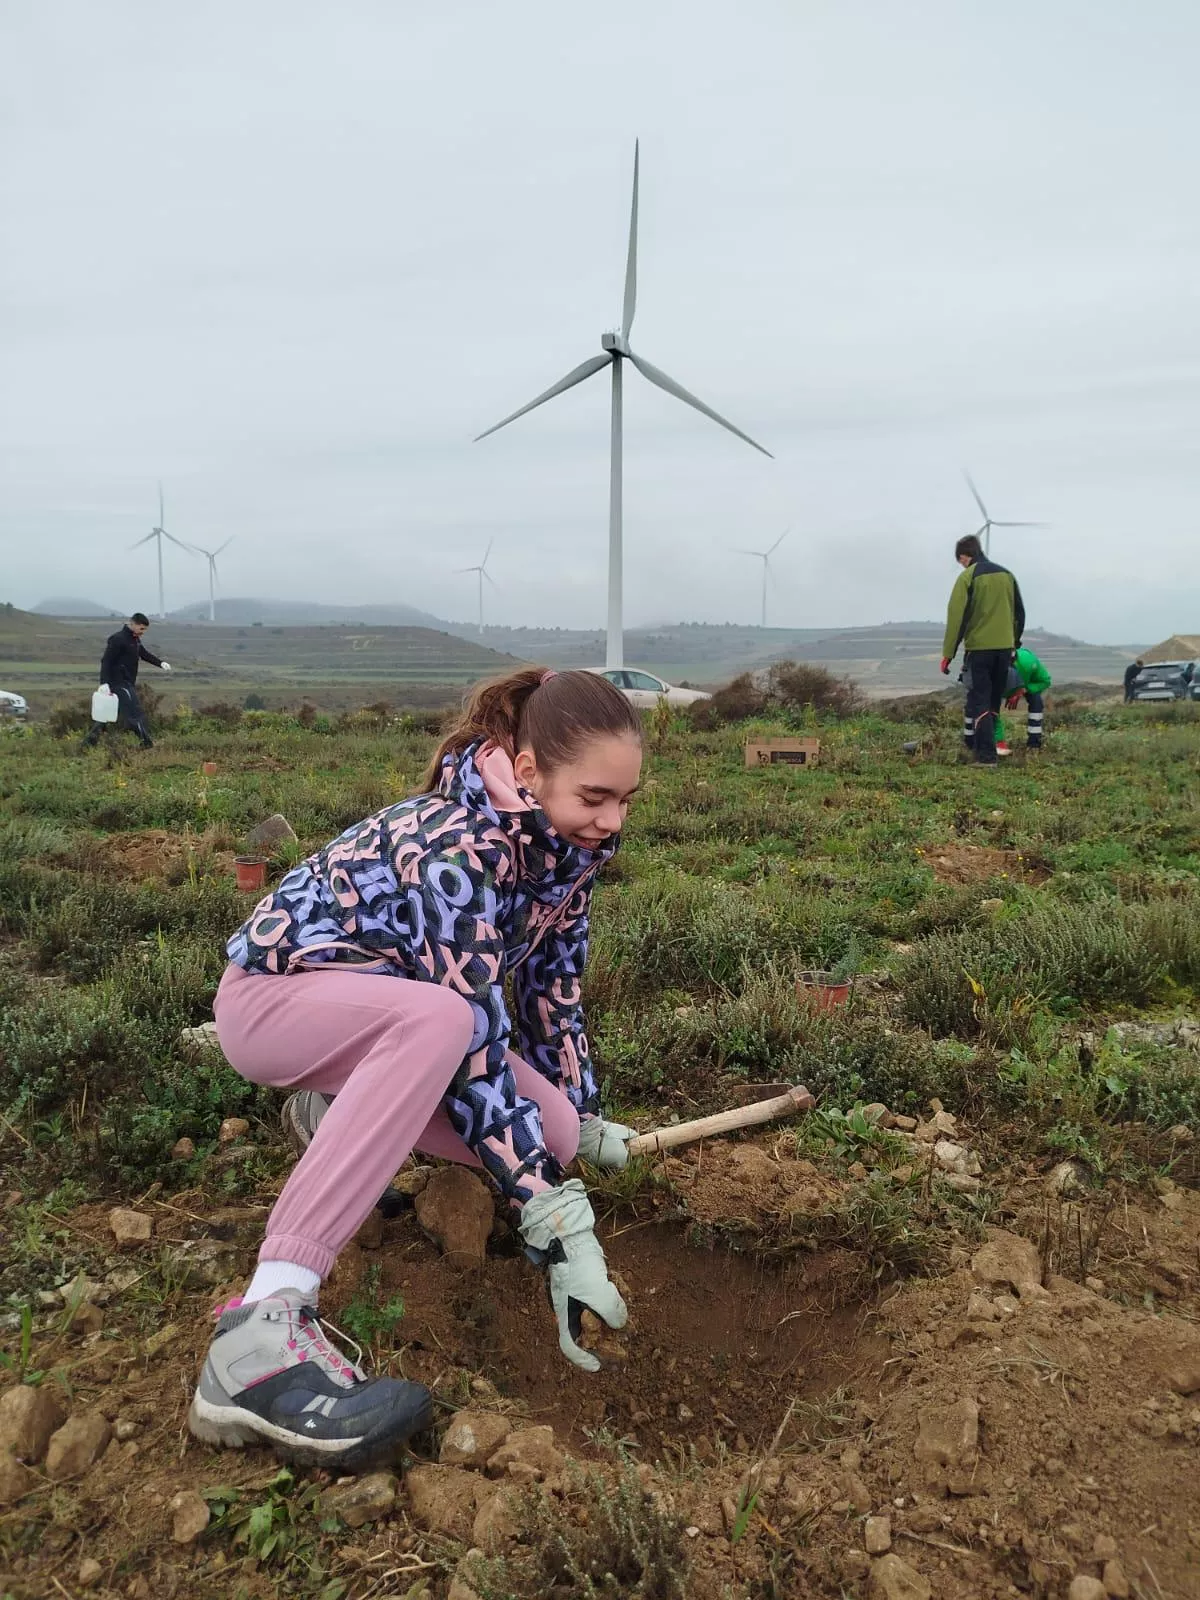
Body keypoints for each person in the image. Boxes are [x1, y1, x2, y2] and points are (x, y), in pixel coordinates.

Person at [188, 667, 643, 1472]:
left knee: (556, 1136)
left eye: (626, 801)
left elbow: (552, 994)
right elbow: (472, 1036)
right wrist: (553, 1217)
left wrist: (583, 1114)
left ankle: (332, 1114)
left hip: (376, 1023)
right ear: (529, 770)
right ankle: (259, 1333)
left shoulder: (567, 853)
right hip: (272, 1004)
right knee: (442, 1021)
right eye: (595, 797)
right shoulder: (452, 844)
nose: (611, 822)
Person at [940, 535, 1025, 765]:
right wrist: (1014, 643)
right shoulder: (1007, 575)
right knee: (993, 701)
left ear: (964, 556)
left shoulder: (968, 577)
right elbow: (1019, 612)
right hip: (1004, 649)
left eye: (960, 561)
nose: (961, 565)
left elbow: (957, 617)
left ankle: (986, 758)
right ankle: (988, 750)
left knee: (980, 701)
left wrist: (948, 653)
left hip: (980, 649)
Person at [81, 612, 171, 749]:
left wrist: (160, 663)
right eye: (141, 628)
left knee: (106, 714)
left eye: (145, 629)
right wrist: (104, 683)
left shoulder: (135, 639)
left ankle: (88, 745)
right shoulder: (118, 639)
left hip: (127, 681)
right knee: (135, 713)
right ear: (133, 624)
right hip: (119, 682)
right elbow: (106, 661)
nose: (143, 632)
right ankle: (147, 743)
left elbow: (143, 654)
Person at [1000, 644, 1052, 753]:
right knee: (986, 705)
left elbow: (1045, 681)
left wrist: (1024, 689)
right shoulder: (988, 662)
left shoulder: (1028, 662)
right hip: (996, 688)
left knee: (1036, 701)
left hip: (1024, 685)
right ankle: (991, 742)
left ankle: (1034, 743)